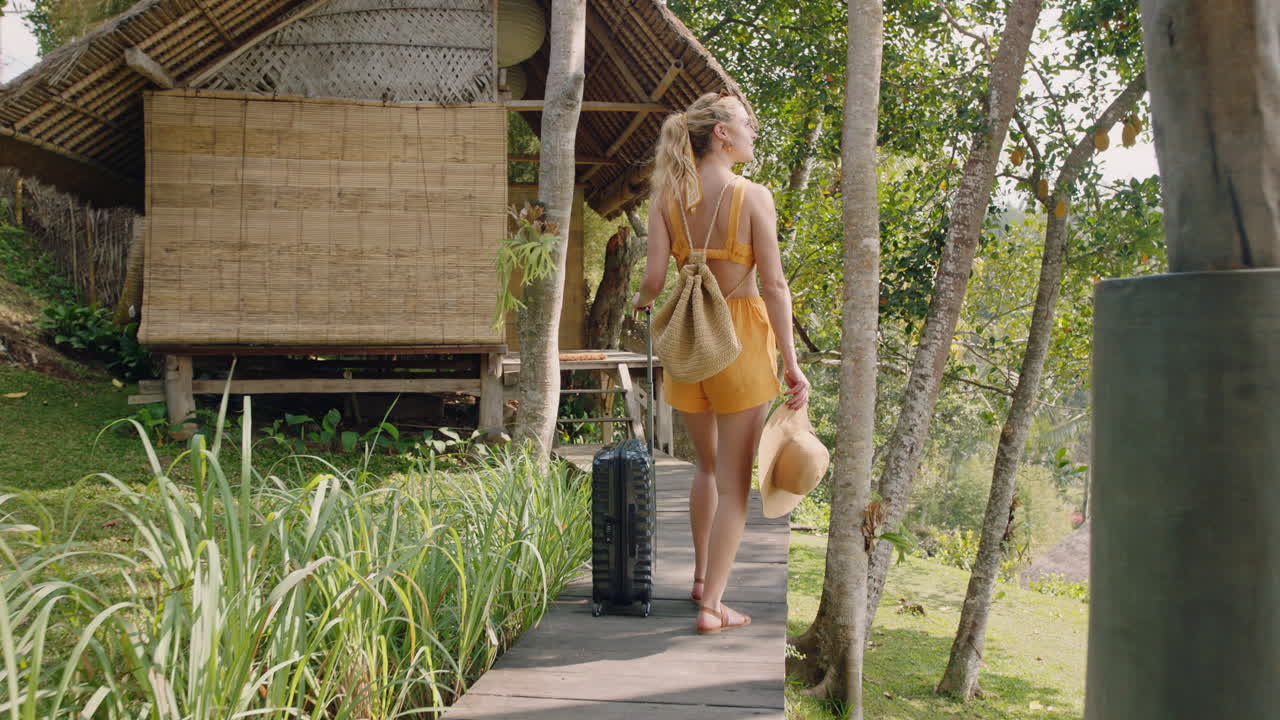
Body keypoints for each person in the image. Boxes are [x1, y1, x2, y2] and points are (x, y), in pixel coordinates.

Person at [631, 91, 810, 634]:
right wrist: (793, 363)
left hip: (691, 342)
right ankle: (713, 607)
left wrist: (642, 305)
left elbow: (654, 280)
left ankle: (702, 578)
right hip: (741, 341)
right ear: (723, 135)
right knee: (736, 484)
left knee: (705, 468)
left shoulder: (666, 196)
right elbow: (775, 285)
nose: (754, 131)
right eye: (746, 124)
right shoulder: (752, 196)